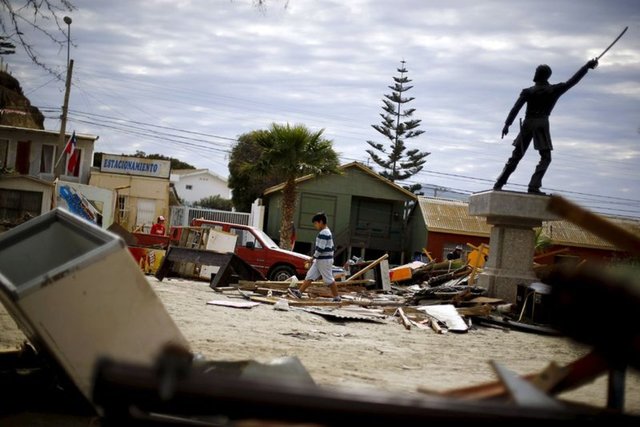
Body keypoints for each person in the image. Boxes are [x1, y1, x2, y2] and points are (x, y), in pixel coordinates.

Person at [493, 58, 599, 195]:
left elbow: (515, 108)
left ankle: (499, 183)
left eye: (536, 72)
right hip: (541, 124)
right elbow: (573, 81)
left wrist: (507, 124)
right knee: (546, 157)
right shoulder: (554, 90)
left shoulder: (528, 91)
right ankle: (534, 186)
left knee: (516, 156)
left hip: (528, 123)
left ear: (538, 75)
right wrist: (586, 67)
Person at [288, 212, 341, 302]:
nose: (315, 226)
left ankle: (337, 297)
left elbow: (321, 248)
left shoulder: (324, 233)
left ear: (321, 222)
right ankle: (299, 292)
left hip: (324, 260)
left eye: (315, 223)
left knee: (328, 279)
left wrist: (313, 257)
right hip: (320, 260)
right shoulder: (326, 232)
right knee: (310, 276)